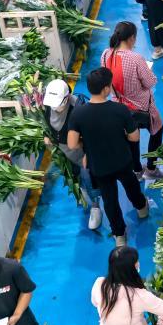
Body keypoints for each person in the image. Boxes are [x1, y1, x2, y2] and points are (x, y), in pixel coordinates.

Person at [67, 67, 149, 246]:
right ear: (106, 88)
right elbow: (134, 137)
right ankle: (142, 209)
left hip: (99, 165)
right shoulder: (120, 110)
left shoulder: (78, 114)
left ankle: (119, 235)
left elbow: (72, 144)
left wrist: (87, 142)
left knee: (109, 199)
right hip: (122, 160)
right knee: (131, 187)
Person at [101, 22, 163, 175]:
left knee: (131, 136)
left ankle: (136, 170)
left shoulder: (106, 55)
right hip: (141, 106)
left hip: (119, 107)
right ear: (132, 38)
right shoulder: (136, 59)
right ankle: (151, 168)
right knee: (157, 130)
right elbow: (150, 82)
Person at [41, 79, 101, 230]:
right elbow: (45, 123)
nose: (54, 107)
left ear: (67, 98)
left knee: (88, 176)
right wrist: (47, 135)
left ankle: (96, 206)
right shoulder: (49, 106)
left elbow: (91, 135)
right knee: (75, 176)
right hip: (64, 152)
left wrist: (88, 152)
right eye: (52, 105)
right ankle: (84, 192)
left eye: (58, 104)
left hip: (82, 153)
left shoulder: (79, 109)